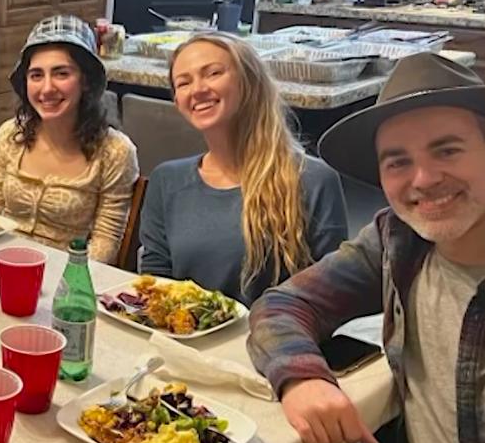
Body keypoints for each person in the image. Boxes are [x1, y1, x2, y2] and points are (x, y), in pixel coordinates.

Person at [173, 53, 485, 443]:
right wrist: (302, 376)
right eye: (397, 161)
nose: (422, 178)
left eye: (447, 150)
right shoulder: (397, 239)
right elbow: (285, 302)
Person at [138, 32, 348, 304]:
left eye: (213, 73)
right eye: (184, 82)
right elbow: (156, 280)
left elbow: (330, 294)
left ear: (249, 82)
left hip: (272, 342)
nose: (198, 89)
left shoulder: (313, 181)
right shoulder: (166, 180)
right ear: (177, 101)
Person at [0, 16, 139, 264]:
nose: (47, 88)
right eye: (36, 75)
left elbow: (107, 241)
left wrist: (70, 282)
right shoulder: (11, 134)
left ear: (85, 81)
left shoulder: (115, 151)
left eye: (61, 73)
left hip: (66, 276)